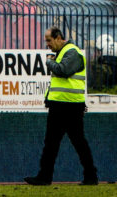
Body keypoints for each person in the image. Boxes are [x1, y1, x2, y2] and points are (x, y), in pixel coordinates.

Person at [24, 26, 99, 186]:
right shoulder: (65, 52)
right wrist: (49, 98)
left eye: (49, 40)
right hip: (63, 104)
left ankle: (48, 177)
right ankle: (47, 176)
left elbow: (63, 71)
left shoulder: (72, 52)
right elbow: (59, 81)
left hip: (69, 106)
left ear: (59, 38)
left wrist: (49, 63)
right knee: (58, 143)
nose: (48, 44)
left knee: (69, 143)